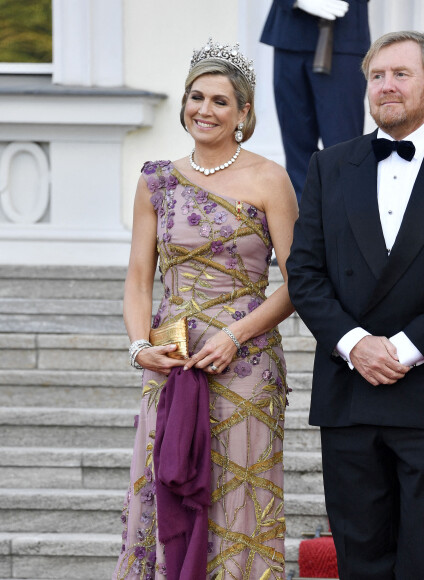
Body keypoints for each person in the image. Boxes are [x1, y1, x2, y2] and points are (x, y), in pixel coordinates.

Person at [286, 31, 424, 579]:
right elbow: (304, 273)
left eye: (401, 74)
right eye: (377, 75)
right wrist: (356, 344)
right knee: (360, 559)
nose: (386, 86)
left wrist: (404, 350)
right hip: (350, 392)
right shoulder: (329, 168)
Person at [113, 39, 298, 580]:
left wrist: (236, 336)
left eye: (220, 101)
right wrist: (139, 347)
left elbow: (298, 283)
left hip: (244, 366)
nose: (205, 110)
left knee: (238, 500)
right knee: (164, 489)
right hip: (170, 361)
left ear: (243, 113)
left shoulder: (270, 178)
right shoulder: (156, 180)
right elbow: (139, 278)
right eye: (197, 97)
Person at [260, 0, 370, 202]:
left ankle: (342, 223)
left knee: (343, 148)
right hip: (289, 34)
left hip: (342, 33)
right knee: (296, 147)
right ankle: (305, 223)